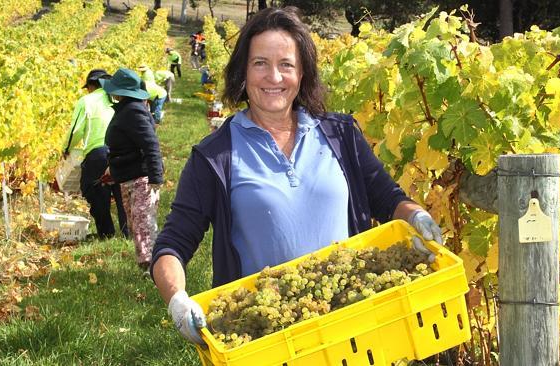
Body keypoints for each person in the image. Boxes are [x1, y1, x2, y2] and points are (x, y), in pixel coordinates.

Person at [150, 7, 443, 344]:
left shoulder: (341, 134)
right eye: (260, 63)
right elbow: (173, 243)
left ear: (302, 74)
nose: (274, 78)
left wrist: (416, 216)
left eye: (286, 65)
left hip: (353, 324)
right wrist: (177, 299)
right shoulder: (215, 156)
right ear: (242, 72)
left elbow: (387, 197)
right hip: (270, 336)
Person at [101, 68, 164, 270]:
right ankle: (147, 266)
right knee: (136, 224)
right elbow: (127, 146)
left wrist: (155, 177)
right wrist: (113, 168)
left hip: (141, 178)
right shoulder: (127, 108)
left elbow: (150, 144)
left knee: (143, 225)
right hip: (130, 176)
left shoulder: (133, 110)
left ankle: (154, 270)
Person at [63, 69, 128, 239]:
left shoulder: (87, 101)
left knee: (95, 191)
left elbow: (76, 130)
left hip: (98, 153)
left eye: (88, 87)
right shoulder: (117, 98)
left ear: (92, 85)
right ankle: (128, 233)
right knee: (122, 194)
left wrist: (66, 149)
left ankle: (106, 234)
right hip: (122, 152)